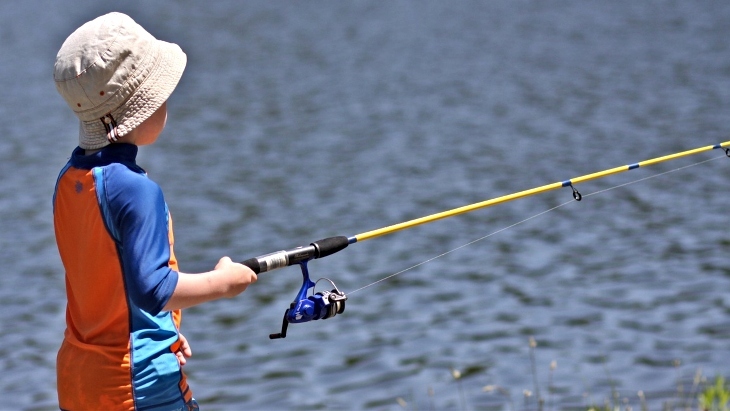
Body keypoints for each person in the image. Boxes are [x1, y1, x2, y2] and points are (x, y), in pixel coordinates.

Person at [52, 12, 257, 410]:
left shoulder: (69, 180)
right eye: (161, 95)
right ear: (140, 108)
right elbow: (155, 289)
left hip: (79, 377)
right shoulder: (136, 190)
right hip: (136, 385)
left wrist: (159, 332)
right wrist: (225, 283)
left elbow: (108, 283)